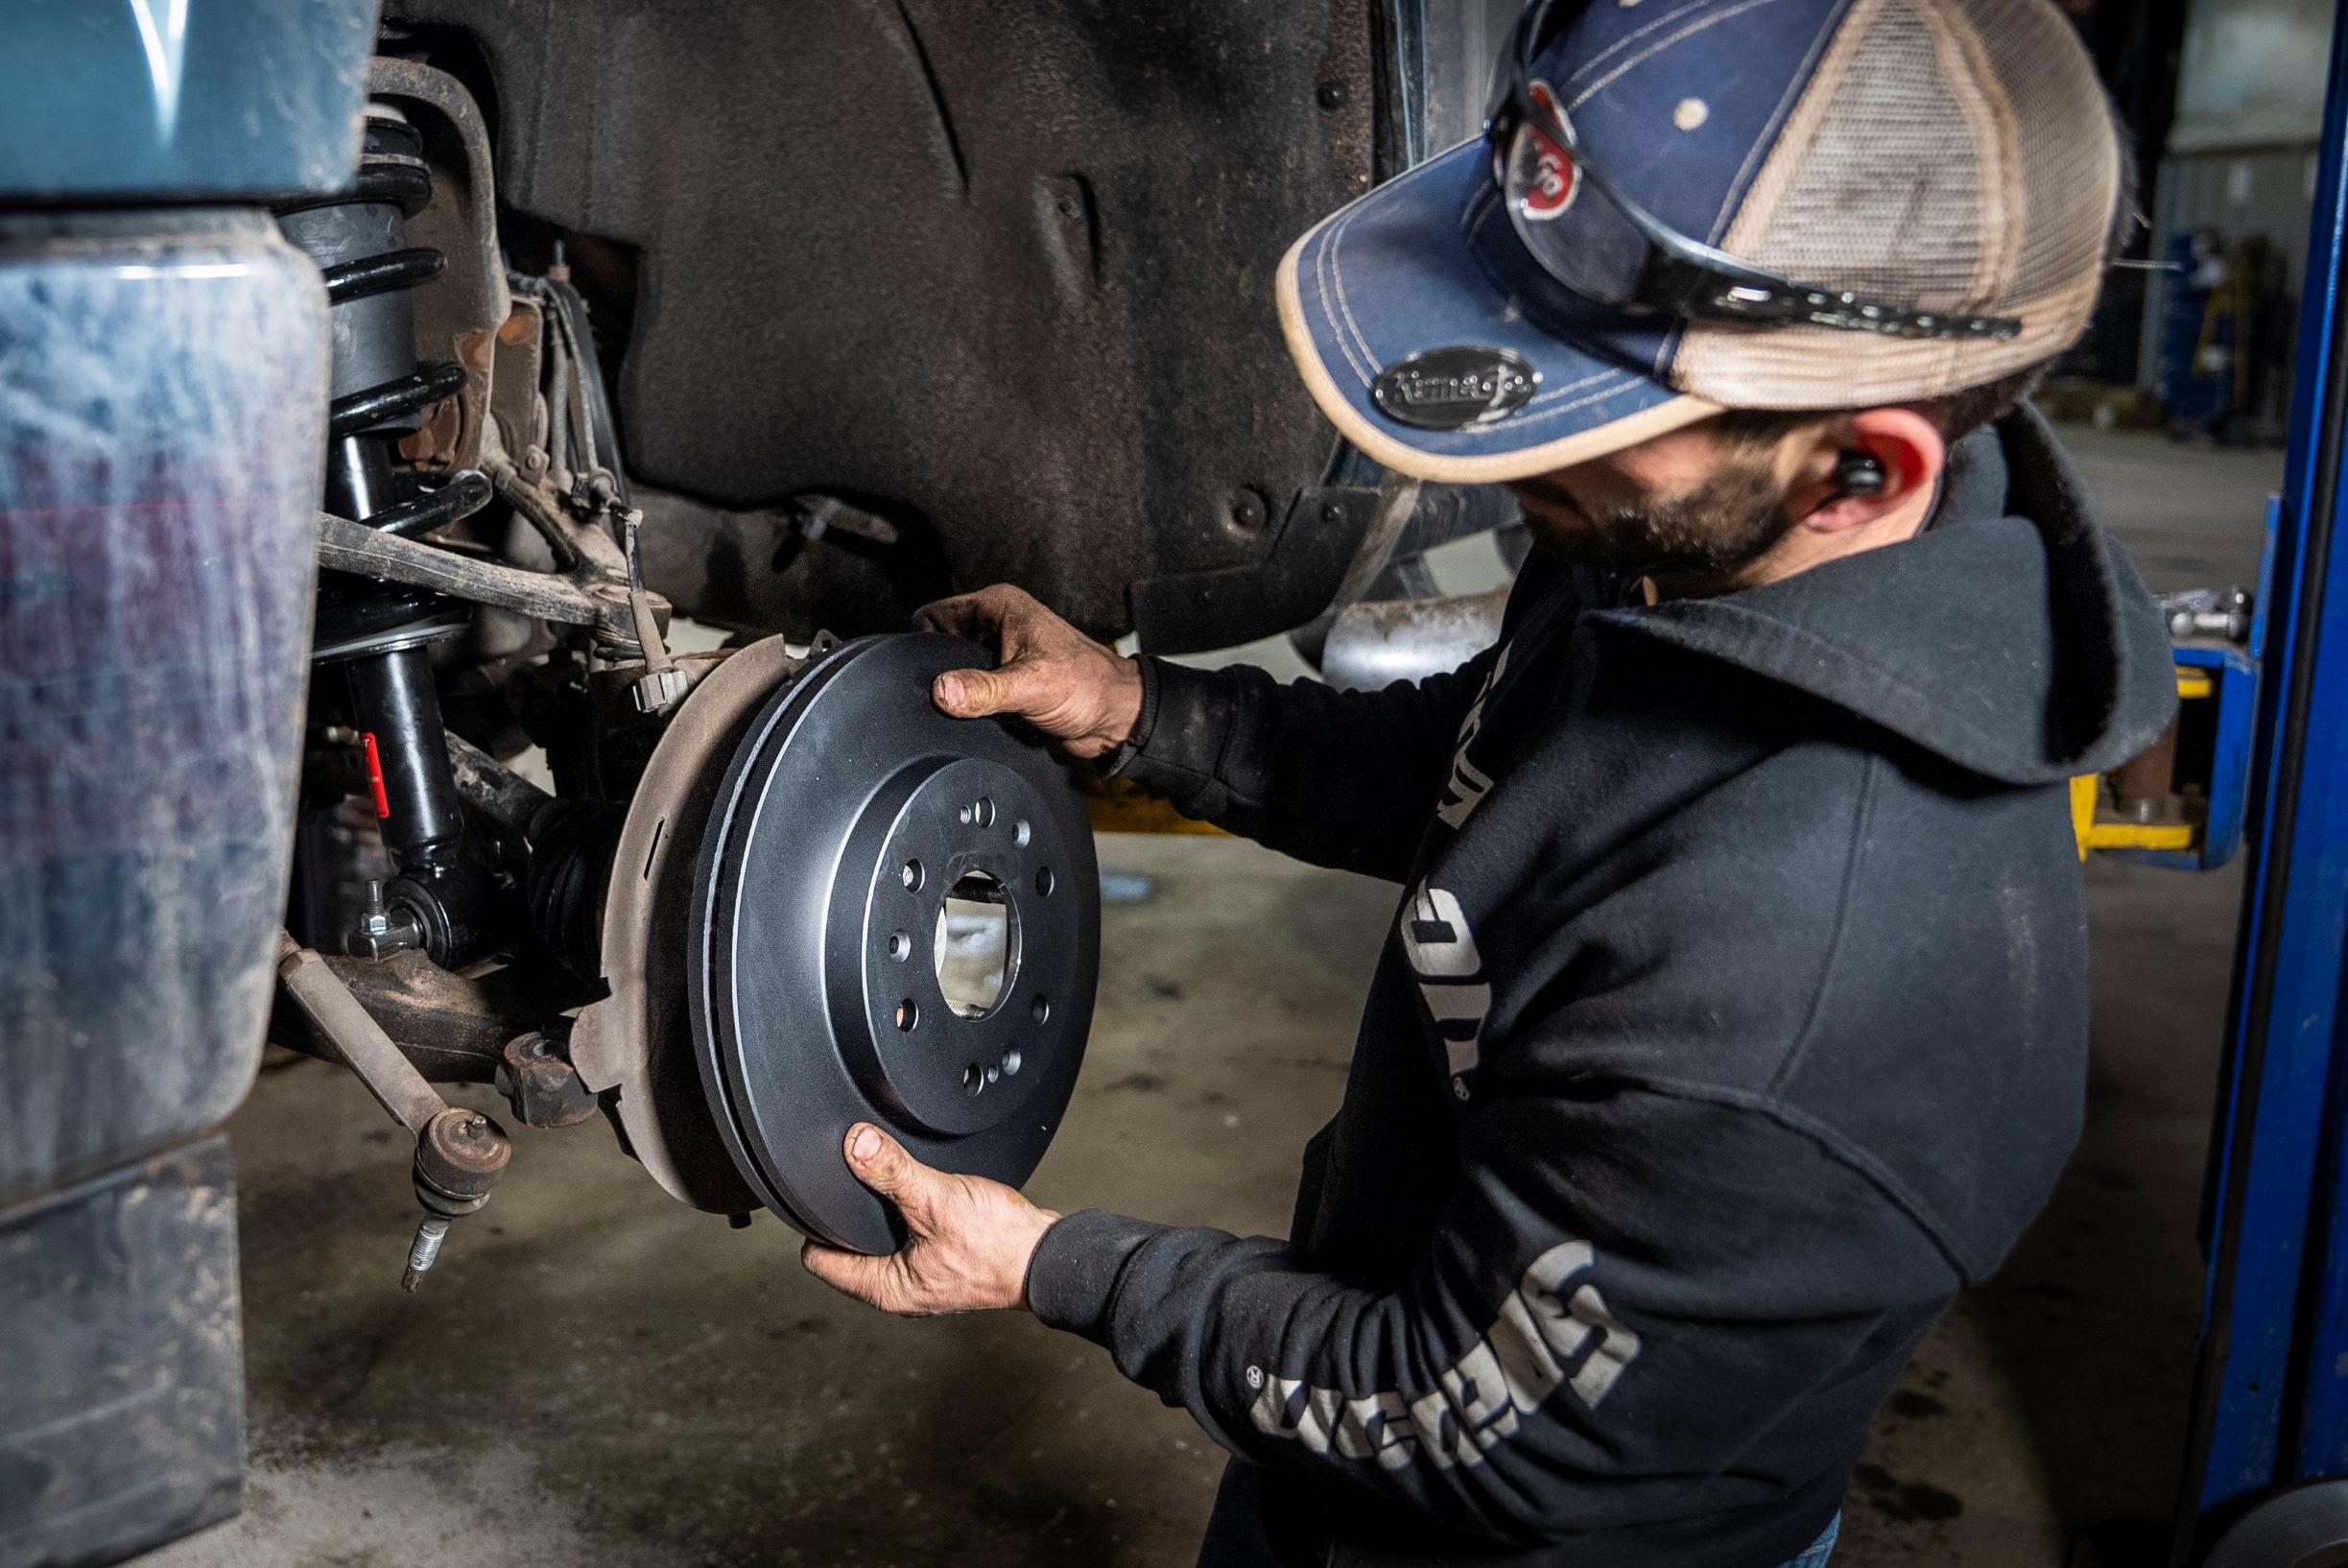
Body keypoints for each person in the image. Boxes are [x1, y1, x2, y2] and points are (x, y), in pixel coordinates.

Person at [801, 0, 2179, 1563]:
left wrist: (1060, 1264)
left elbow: (1461, 1414)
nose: (1516, 450)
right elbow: (1487, 773)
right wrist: (1139, 711)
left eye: (1593, 400)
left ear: (1862, 473)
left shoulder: (1806, 993)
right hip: (1343, 1437)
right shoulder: (1690, 546)